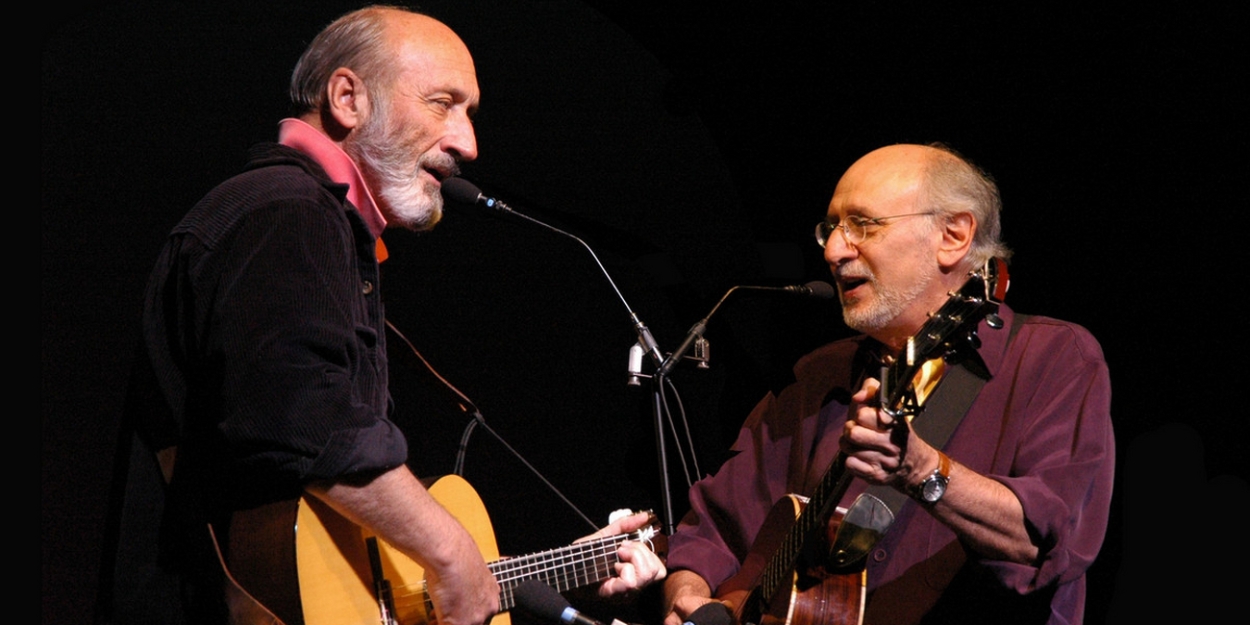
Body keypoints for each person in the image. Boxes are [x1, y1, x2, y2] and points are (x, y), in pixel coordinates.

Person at [110, 6, 661, 625]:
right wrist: (450, 550)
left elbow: (358, 558)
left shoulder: (307, 223)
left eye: (470, 114)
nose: (468, 144)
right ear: (348, 98)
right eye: (441, 103)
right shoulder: (287, 212)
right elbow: (309, 420)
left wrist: (552, 570)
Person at [661, 143, 1113, 625]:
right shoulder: (816, 378)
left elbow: (1050, 540)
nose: (834, 251)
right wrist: (688, 597)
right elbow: (706, 534)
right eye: (831, 228)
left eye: (863, 225)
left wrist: (921, 472)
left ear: (954, 236)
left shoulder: (1053, 358)